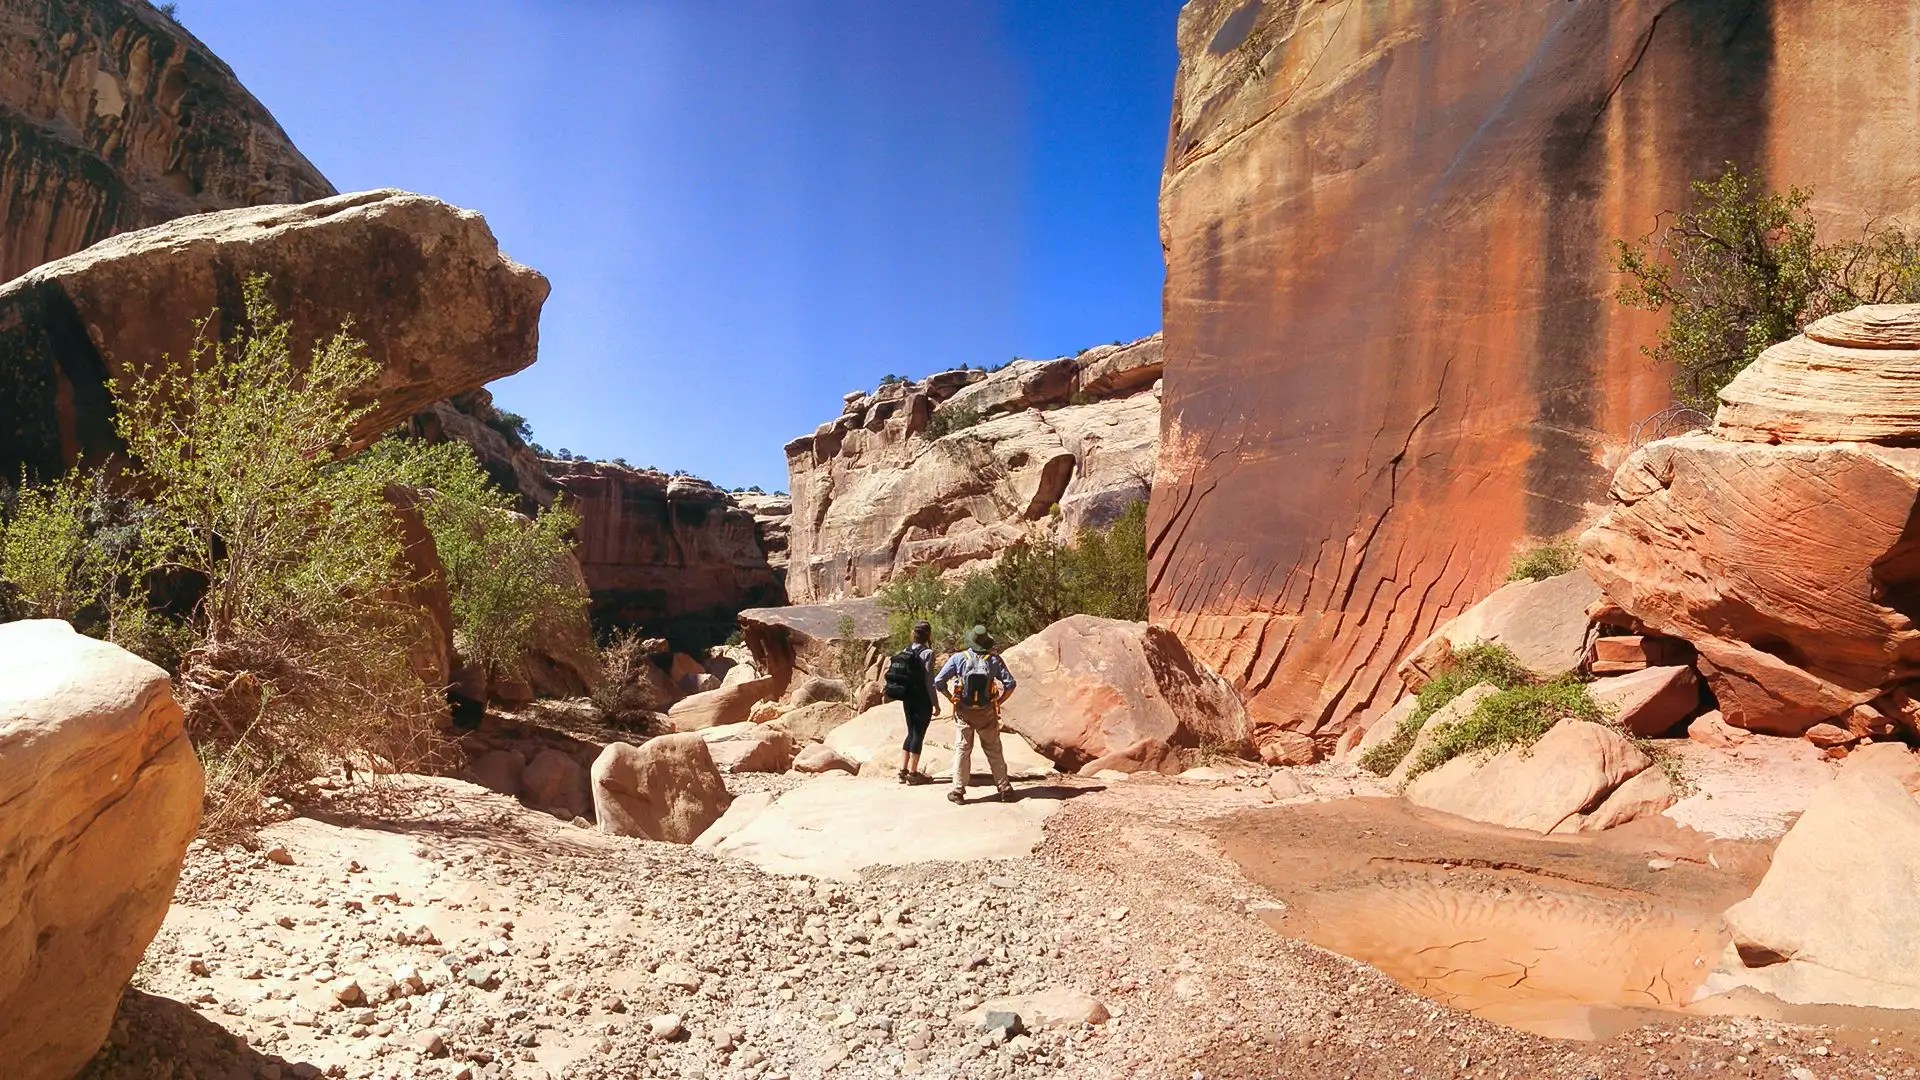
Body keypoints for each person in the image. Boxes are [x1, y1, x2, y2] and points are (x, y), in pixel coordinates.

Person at [934, 625, 1018, 804]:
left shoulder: (958, 658)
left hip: (964, 711)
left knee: (963, 750)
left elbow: (938, 681)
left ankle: (958, 791)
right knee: (994, 750)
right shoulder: (994, 660)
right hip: (986, 712)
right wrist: (999, 701)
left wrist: (951, 699)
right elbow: (1010, 684)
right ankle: (1004, 789)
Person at [896, 620, 939, 784]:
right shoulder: (927, 653)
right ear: (928, 634)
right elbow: (929, 680)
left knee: (911, 732)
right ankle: (913, 775)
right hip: (922, 698)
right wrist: (935, 703)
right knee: (918, 735)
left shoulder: (906, 650)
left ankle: (903, 771)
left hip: (907, 697)